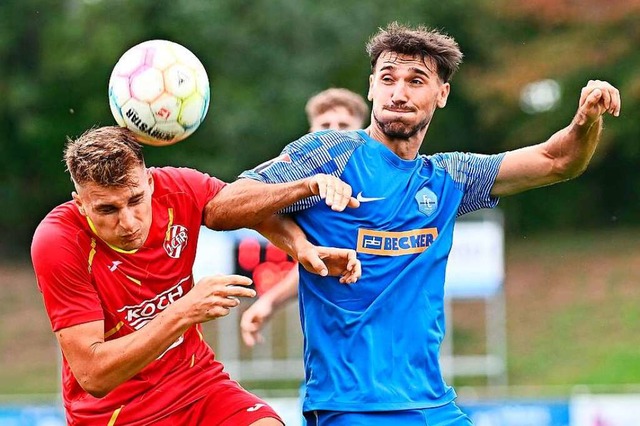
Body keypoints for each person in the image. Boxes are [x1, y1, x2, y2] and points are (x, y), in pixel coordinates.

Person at [238, 22, 621, 425]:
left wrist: (585, 121)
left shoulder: (449, 177)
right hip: (353, 406)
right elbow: (230, 202)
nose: (398, 93)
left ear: (442, 94)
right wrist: (301, 237)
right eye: (388, 79)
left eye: (415, 80)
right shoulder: (329, 154)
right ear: (371, 87)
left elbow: (555, 161)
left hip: (433, 405)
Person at [30, 126, 362, 425]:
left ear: (150, 181)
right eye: (108, 209)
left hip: (196, 384)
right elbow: (93, 374)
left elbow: (239, 208)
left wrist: (299, 246)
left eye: (136, 200)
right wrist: (185, 310)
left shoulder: (176, 188)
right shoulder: (59, 241)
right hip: (115, 413)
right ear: (81, 203)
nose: (128, 221)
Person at [241, 87, 369, 347]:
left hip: (390, 330)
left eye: (344, 124)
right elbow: (314, 259)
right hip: (330, 340)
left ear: (363, 131)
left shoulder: (379, 180)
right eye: (324, 124)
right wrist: (269, 301)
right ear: (310, 133)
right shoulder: (303, 191)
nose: (333, 130)